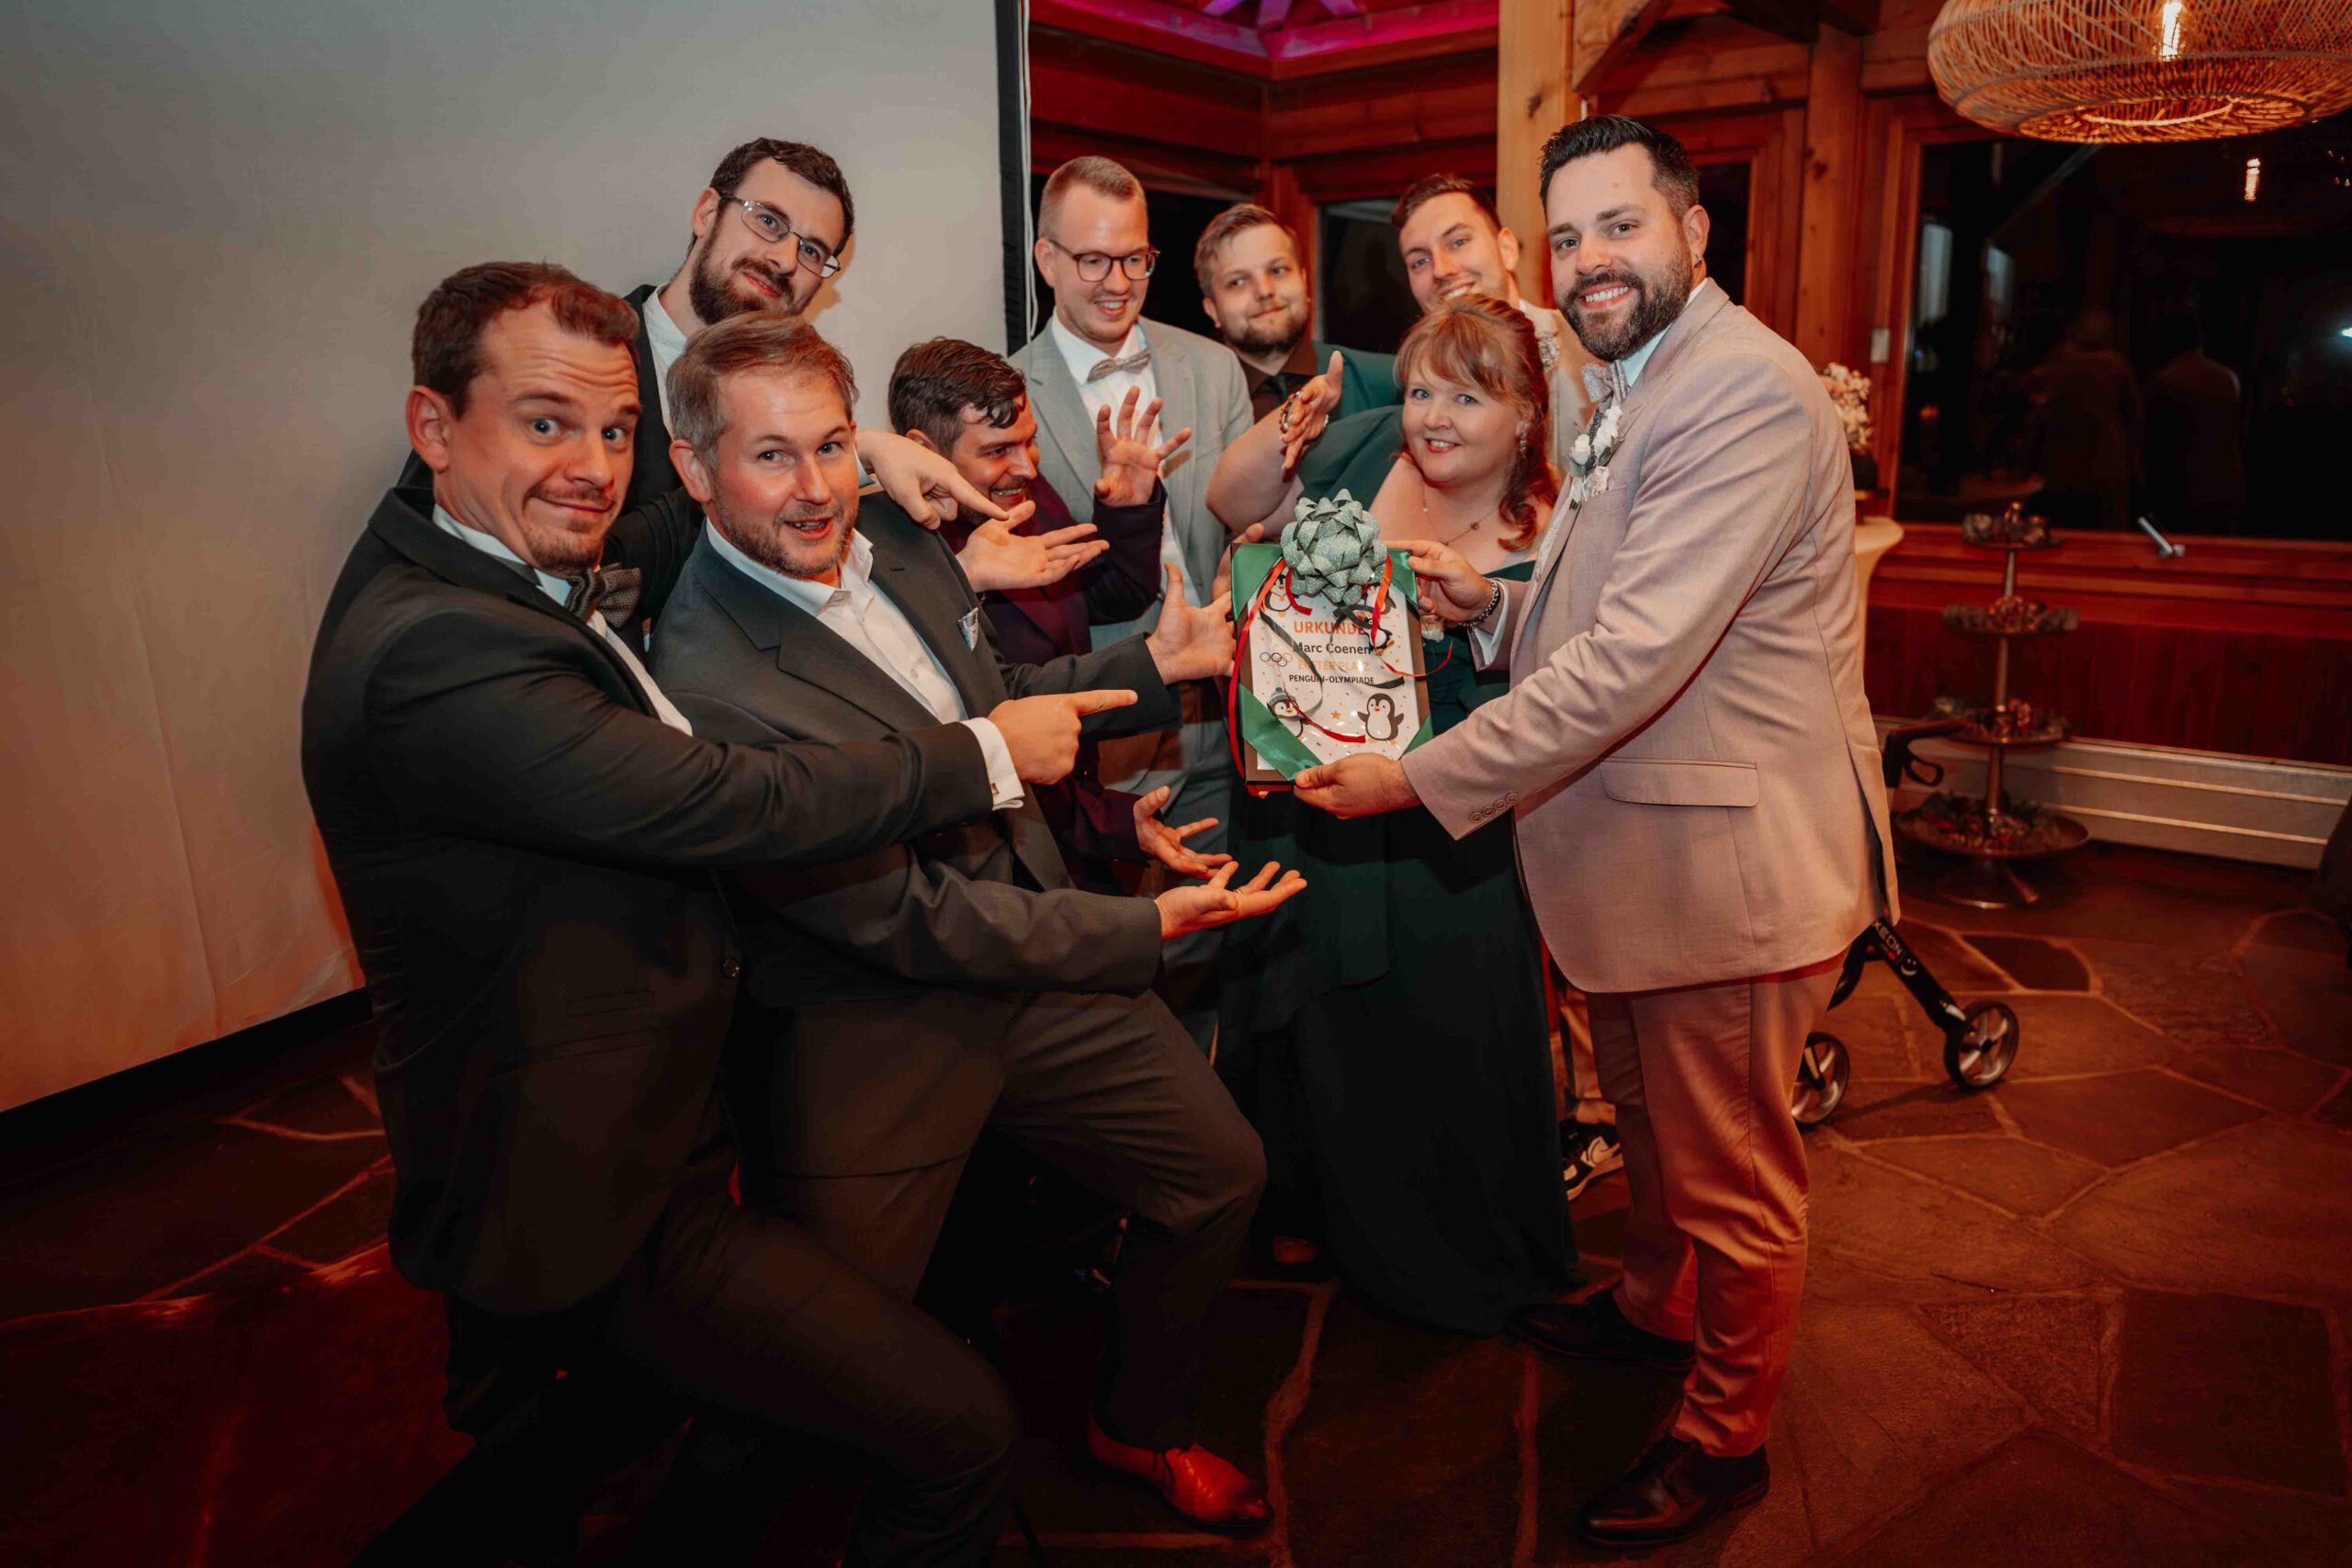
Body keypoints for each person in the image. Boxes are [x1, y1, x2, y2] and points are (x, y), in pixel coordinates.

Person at [307, 262, 1136, 1566]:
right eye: (545, 422)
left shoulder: (493, 546)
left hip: (653, 1126)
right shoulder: (433, 649)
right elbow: (722, 799)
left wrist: (863, 453)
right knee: (953, 1427)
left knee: (652, 1449)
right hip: (584, 1181)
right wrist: (979, 752)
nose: (592, 467)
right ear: (433, 425)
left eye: (615, 429)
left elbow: (682, 508)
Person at [1292, 117, 1896, 1547]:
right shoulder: (1637, 378)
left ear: (1694, 231)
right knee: (1650, 1120)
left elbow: (1633, 662)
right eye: (1568, 237)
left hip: (1726, 867)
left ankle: (1725, 1432)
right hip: (1640, 857)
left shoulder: (1741, 393)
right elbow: (1604, 604)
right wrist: (1494, 605)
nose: (1590, 259)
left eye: (1621, 225)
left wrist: (1416, 775)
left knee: (1732, 1172)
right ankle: (1651, 1306)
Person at [647, 312, 1298, 1533]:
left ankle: (1138, 1418)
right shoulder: (708, 679)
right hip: (878, 1031)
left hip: (1035, 958)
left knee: (1216, 1173)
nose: (816, 486)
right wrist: (1138, 930)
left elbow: (991, 704)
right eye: (772, 456)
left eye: (831, 446)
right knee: (820, 1365)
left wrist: (1157, 668)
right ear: (693, 468)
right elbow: (895, 916)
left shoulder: (892, 539)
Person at [1202, 293, 1577, 1336]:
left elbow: (1568, 691)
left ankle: (1439, 1249)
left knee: (1440, 1025)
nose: (1432, 416)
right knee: (1311, 1008)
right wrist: (1284, 440)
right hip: (1313, 791)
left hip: (1448, 814)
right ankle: (1309, 1206)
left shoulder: (1558, 528)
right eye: (1420, 392)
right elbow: (1234, 503)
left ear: (1524, 415)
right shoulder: (1369, 451)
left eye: (1466, 396)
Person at [395, 138, 1034, 632]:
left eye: (814, 251)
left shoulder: (808, 420)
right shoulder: (563, 361)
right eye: (769, 221)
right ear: (706, 212)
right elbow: (459, 559)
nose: (784, 259)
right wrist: (862, 447)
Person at [1008, 155, 1256, 1049]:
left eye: (1136, 259)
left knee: (1219, 946)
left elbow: (1245, 523)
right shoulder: (1007, 396)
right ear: (1046, 259)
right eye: (1093, 260)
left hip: (1220, 713)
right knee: (1117, 971)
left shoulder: (1211, 368)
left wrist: (1242, 569)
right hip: (1105, 723)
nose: (1118, 283)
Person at [888, 336, 1195, 889]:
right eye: (998, 450)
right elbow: (1002, 718)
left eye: (1030, 443)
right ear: (921, 450)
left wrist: (1128, 507)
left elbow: (1107, 597)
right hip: (1008, 863)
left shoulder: (1013, 493)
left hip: (1075, 822)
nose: (1026, 466)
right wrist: (1109, 824)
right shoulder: (898, 560)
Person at [1392, 173, 1596, 476]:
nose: (1441, 270)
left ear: (1507, 249)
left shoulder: (1588, 346)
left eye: (1458, 242)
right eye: (1419, 261)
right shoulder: (1413, 383)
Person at [1193, 203, 1397, 422]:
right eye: (1238, 282)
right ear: (1212, 310)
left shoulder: (1389, 383)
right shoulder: (1193, 409)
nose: (1264, 291)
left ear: (1303, 280)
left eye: (1277, 270)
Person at [2024, 306, 2140, 532]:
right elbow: (2134, 422)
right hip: (2108, 475)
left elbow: (2035, 418)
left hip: (2062, 476)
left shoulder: (2055, 367)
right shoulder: (2116, 367)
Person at [2142, 310, 2245, 536]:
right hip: (2225, 486)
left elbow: (2155, 443)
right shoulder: (2228, 378)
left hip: (2181, 490)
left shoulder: (2164, 381)